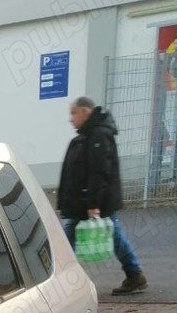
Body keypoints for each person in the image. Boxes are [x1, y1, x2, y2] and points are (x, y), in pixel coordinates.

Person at [57, 96, 147, 294]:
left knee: (70, 239)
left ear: (85, 112)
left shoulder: (97, 135)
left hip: (94, 202)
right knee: (111, 235)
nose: (71, 119)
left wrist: (93, 203)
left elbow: (99, 171)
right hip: (89, 201)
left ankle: (61, 282)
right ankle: (134, 274)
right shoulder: (90, 135)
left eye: (73, 113)